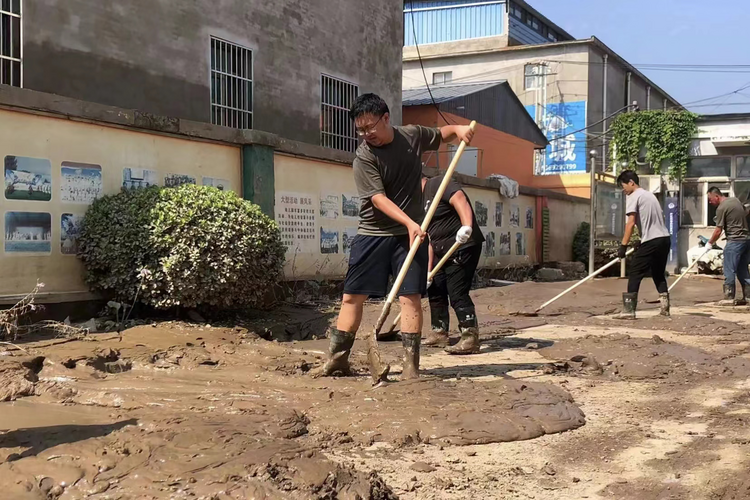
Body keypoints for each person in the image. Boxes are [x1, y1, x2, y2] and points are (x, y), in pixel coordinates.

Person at [318, 93, 474, 379]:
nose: (366, 135)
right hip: (373, 234)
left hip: (408, 236)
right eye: (360, 130)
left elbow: (443, 134)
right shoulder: (364, 157)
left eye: (370, 127)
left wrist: (459, 130)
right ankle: (337, 359)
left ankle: (411, 367)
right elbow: (378, 199)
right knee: (352, 297)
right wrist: (410, 223)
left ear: (386, 118)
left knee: (411, 297)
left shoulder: (412, 136)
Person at [421, 174, 484, 354]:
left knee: (456, 291)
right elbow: (429, 238)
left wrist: (466, 226)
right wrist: (428, 270)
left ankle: (470, 337)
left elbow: (460, 200)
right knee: (435, 288)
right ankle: (439, 332)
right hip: (440, 249)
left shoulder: (438, 184)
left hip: (462, 244)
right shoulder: (417, 202)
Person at [615, 170, 671, 319]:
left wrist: (623, 246)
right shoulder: (650, 195)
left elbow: (631, 223)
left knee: (634, 272)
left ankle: (628, 310)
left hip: (652, 240)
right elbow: (657, 220)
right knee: (658, 273)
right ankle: (665, 308)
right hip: (664, 239)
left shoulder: (634, 196)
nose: (623, 189)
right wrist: (642, 239)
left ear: (631, 182)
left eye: (624, 185)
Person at [706, 186, 750, 305]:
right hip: (746, 240)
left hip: (734, 241)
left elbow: (718, 231)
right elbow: (746, 212)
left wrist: (709, 243)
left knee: (729, 269)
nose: (710, 202)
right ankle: (748, 297)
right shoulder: (735, 200)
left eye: (710, 199)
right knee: (742, 269)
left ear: (717, 196)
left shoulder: (721, 208)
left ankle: (729, 298)